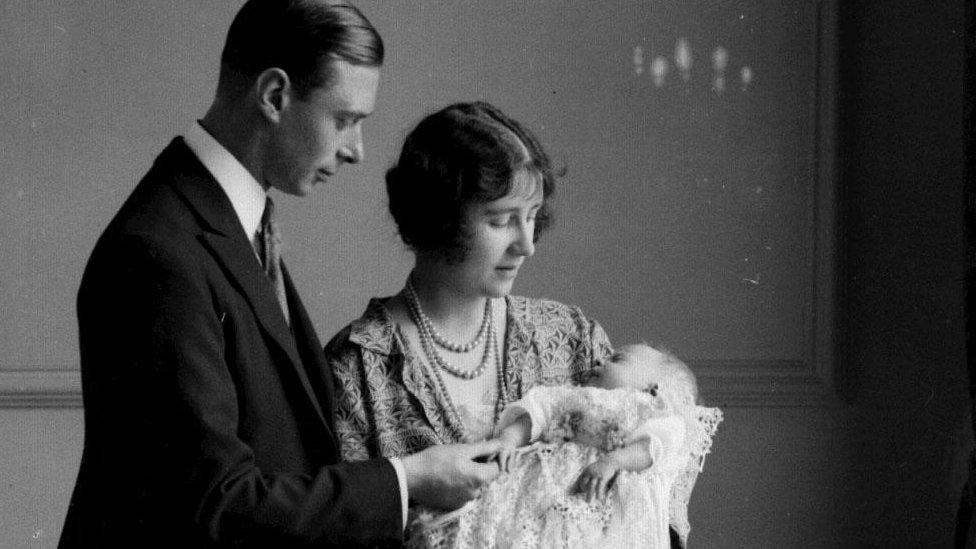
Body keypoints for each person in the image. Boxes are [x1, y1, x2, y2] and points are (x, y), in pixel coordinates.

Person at [60, 2, 500, 547]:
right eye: (344, 120)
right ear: (273, 96)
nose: (356, 151)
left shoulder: (227, 227)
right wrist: (407, 480)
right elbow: (217, 504)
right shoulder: (157, 253)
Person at [325, 101, 614, 543]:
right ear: (440, 220)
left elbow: (650, 478)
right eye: (501, 220)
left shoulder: (571, 338)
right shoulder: (359, 367)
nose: (526, 244)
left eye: (532, 217)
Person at [408, 344, 723, 549]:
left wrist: (615, 461)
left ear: (653, 388)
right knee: (510, 524)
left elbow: (654, 446)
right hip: (540, 482)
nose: (601, 360)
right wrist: (508, 439)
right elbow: (540, 410)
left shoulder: (650, 409)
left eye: (618, 359)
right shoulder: (577, 394)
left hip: (598, 491)